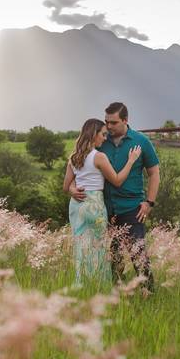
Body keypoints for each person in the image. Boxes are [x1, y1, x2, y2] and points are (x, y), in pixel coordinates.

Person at [67, 102, 160, 291]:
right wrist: (71, 188)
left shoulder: (141, 141)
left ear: (125, 120)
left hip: (132, 207)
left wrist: (149, 202)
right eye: (106, 122)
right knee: (112, 257)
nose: (108, 127)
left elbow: (154, 173)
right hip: (105, 209)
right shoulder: (101, 141)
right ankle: (115, 293)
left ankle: (148, 293)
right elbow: (80, 166)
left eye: (113, 123)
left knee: (138, 255)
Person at [63, 118, 141, 286]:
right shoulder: (99, 157)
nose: (105, 138)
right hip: (94, 203)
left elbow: (66, 185)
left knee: (81, 249)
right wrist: (131, 160)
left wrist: (73, 189)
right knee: (97, 249)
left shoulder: (74, 157)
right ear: (94, 134)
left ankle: (81, 284)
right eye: (103, 134)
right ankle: (98, 287)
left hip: (76, 205)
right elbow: (118, 180)